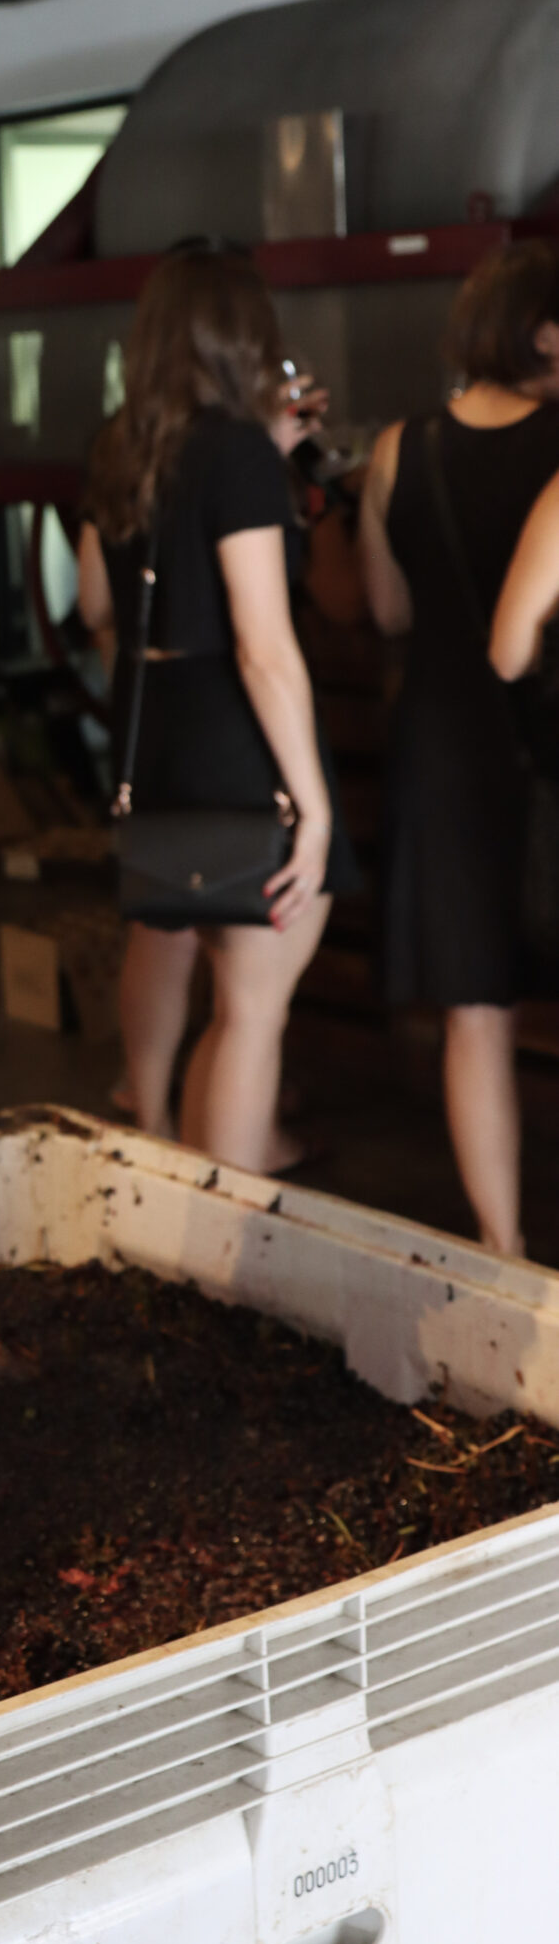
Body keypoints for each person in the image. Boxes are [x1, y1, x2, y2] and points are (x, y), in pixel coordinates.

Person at [76, 246, 355, 1174]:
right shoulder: (233, 450)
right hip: (238, 737)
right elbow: (263, 647)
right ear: (244, 339)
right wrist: (312, 810)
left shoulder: (120, 444)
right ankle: (230, 1243)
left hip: (152, 729)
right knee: (251, 1010)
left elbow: (94, 605)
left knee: (200, 970)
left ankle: (187, 1189)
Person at [356, 243, 559, 1257]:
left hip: (444, 746)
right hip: (548, 757)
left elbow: (387, 606)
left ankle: (501, 1242)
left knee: (475, 1012)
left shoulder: (401, 448)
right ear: (547, 334)